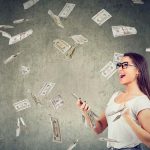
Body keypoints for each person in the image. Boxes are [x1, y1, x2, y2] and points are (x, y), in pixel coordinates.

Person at [76, 52, 150, 150]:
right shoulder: (116, 95)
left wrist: (128, 119)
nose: (120, 69)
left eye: (125, 65)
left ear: (138, 70)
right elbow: (99, 128)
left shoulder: (141, 100)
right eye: (119, 65)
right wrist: (86, 112)